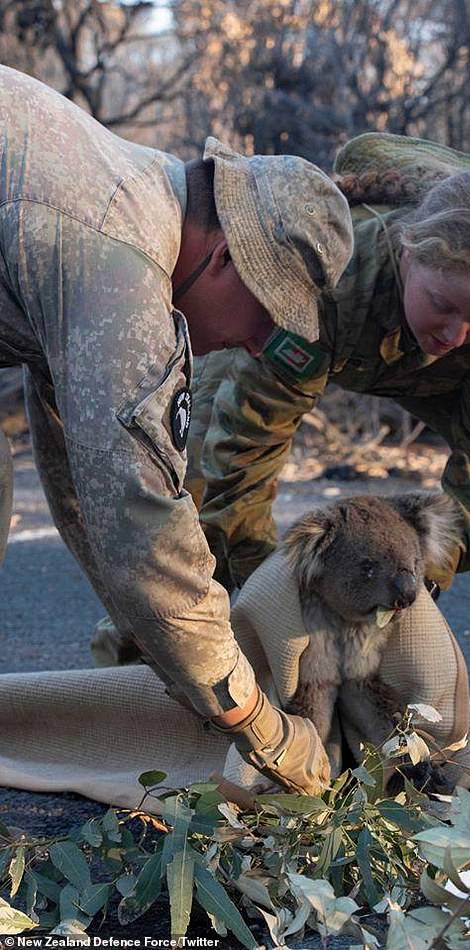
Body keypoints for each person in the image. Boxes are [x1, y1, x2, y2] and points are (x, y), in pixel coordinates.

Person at [180, 133, 470, 778]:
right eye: (445, 304)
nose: (455, 331)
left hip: (449, 381)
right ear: (408, 253)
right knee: (198, 463)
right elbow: (247, 449)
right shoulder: (335, 275)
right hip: (331, 330)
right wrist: (271, 590)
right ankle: (176, 657)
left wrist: (412, 579)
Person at [0, 65, 356, 795]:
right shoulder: (121, 262)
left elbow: (82, 469)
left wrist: (168, 653)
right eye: (264, 317)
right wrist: (253, 718)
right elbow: (143, 521)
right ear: (226, 257)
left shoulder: (130, 190)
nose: (259, 347)